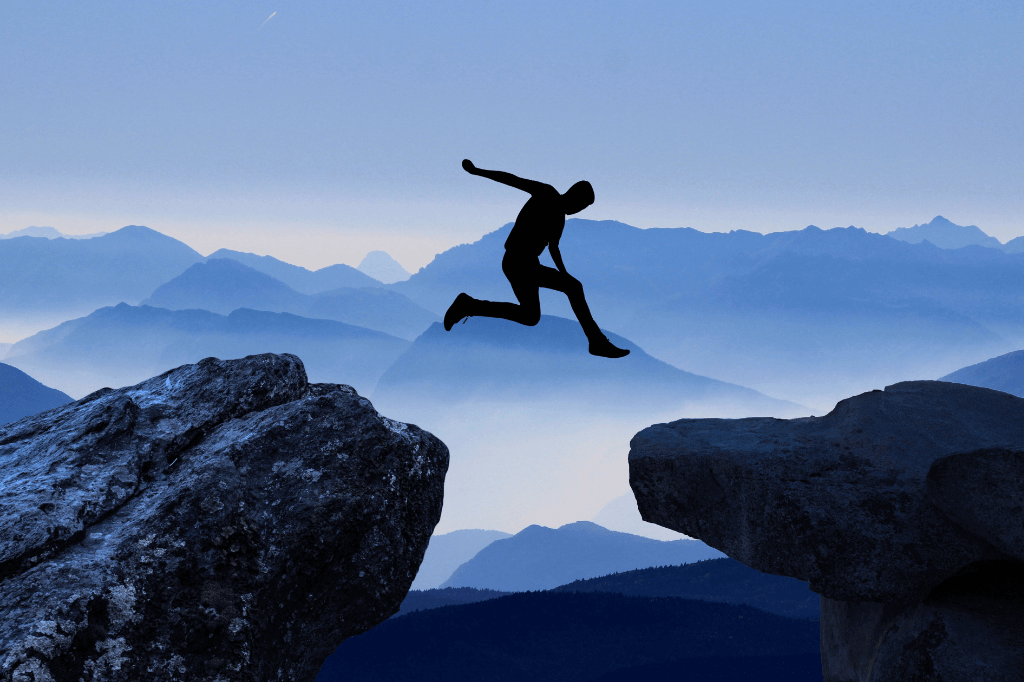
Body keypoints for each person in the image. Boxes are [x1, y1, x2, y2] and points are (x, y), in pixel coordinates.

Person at [444, 159, 629, 359]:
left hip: (525, 264)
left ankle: (469, 305)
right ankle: (596, 342)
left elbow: (554, 248)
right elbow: (512, 180)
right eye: (582, 205)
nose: (579, 210)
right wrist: (477, 171)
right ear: (575, 196)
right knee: (574, 288)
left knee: (530, 317)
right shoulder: (546, 193)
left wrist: (564, 274)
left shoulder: (559, 219)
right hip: (518, 262)